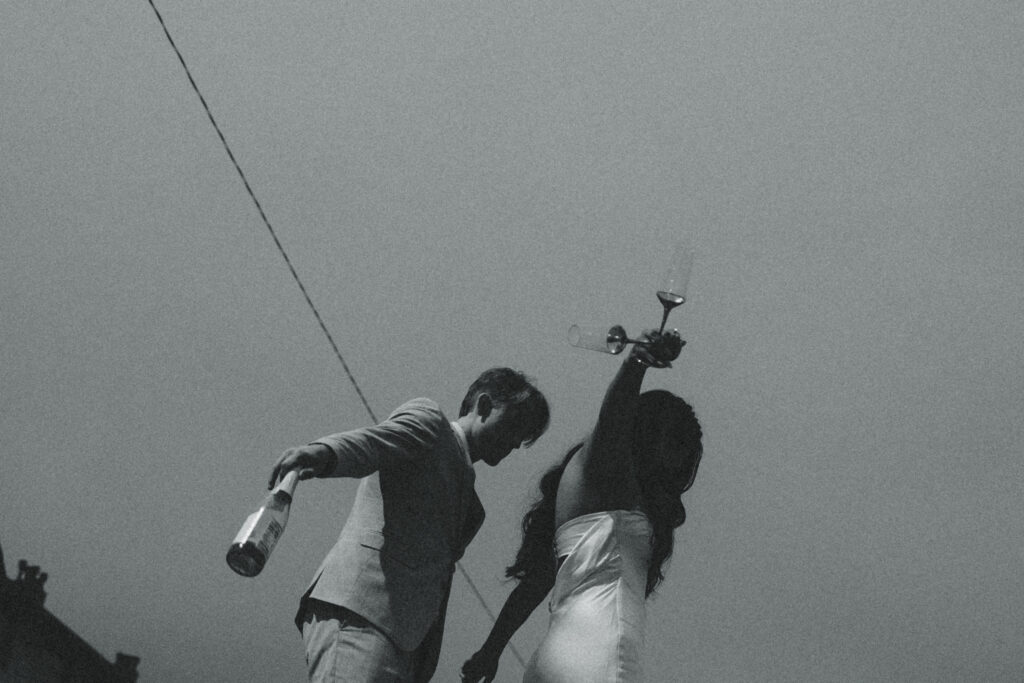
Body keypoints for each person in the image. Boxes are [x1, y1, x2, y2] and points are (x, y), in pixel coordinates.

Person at [268, 368, 550, 683]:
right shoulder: (432, 425)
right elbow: (373, 442)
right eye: (514, 425)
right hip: (363, 613)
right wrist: (323, 453)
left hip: (408, 649)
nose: (514, 443)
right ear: (483, 405)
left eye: (522, 438)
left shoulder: (472, 509)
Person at [460, 330, 703, 682]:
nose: (676, 465)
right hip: (599, 650)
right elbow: (616, 413)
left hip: (557, 656)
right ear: (649, 433)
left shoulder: (592, 488)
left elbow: (535, 584)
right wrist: (637, 362)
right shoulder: (609, 470)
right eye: (676, 444)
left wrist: (491, 651)